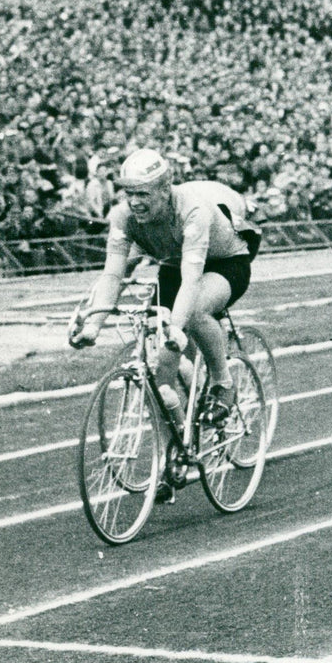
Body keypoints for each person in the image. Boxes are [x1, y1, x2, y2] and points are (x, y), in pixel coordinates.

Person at [69, 149, 260, 498]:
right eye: (129, 194)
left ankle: (222, 381)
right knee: (161, 373)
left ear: (165, 188)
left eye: (143, 194)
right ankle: (173, 453)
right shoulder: (123, 216)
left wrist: (176, 325)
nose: (135, 202)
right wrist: (94, 325)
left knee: (195, 311)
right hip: (174, 265)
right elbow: (113, 273)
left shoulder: (192, 210)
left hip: (225, 261)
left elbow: (192, 280)